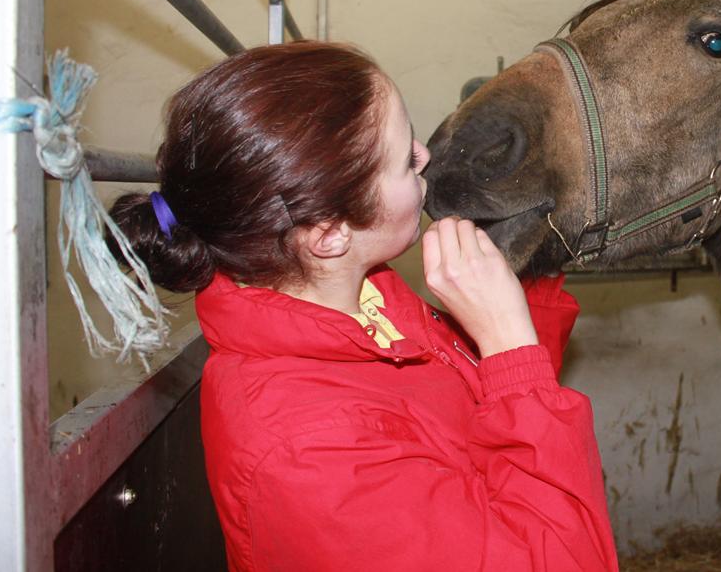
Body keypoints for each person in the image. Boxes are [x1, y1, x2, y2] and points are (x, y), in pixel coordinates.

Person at [108, 42, 618, 571]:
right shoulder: (312, 453)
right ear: (329, 235)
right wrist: (509, 346)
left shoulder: (362, 303)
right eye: (402, 161)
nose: (424, 156)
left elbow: (464, 413)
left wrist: (534, 272)